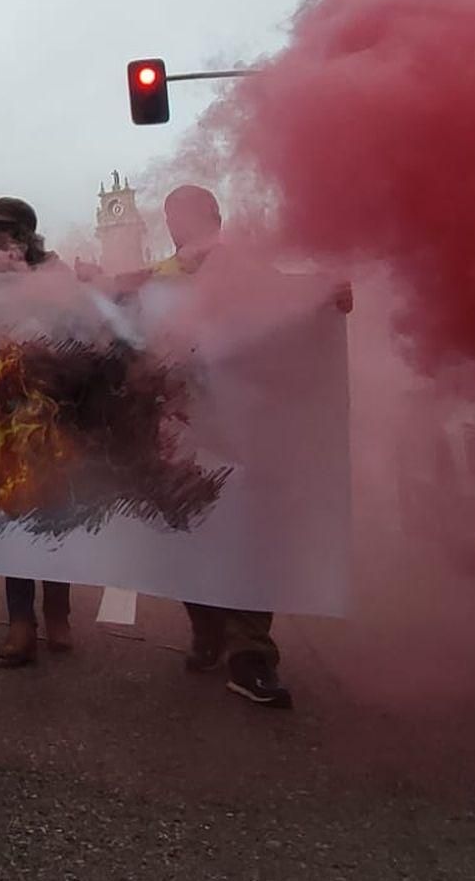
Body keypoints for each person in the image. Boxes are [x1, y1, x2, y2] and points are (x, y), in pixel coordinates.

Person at [148, 183, 352, 711]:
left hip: (247, 432)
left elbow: (286, 301)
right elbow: (122, 305)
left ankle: (251, 655)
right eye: (174, 218)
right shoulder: (162, 280)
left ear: (215, 217)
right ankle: (208, 630)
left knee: (250, 537)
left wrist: (326, 295)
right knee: (194, 534)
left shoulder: (247, 270)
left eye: (191, 215)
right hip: (186, 433)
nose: (182, 226)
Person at [0, 197, 75, 669]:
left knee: (55, 515)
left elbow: (80, 325)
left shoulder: (57, 276)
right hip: (3, 416)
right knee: (12, 513)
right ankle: (20, 623)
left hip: (52, 413)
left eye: (2, 231)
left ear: (24, 235)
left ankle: (58, 610)